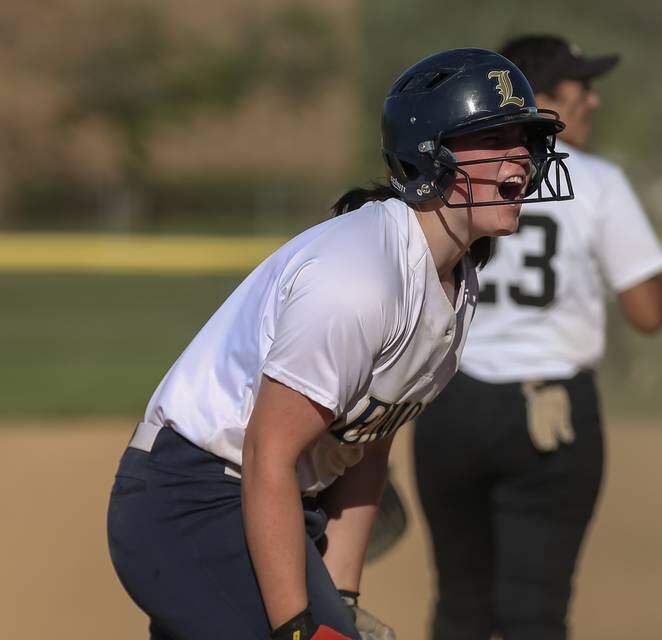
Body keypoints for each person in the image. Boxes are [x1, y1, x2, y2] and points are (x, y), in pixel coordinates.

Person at [106, 47, 574, 640]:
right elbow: (269, 453)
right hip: (191, 499)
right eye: (494, 138)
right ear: (430, 158)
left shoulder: (456, 284)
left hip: (266, 500)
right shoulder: (359, 277)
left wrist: (343, 598)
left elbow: (366, 443)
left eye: (525, 140)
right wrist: (301, 629)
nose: (520, 160)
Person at [413, 35, 662, 640]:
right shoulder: (595, 180)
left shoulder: (451, 170)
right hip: (553, 412)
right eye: (578, 88)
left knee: (459, 605)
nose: (591, 101)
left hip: (450, 402)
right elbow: (646, 313)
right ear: (537, 100)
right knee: (535, 613)